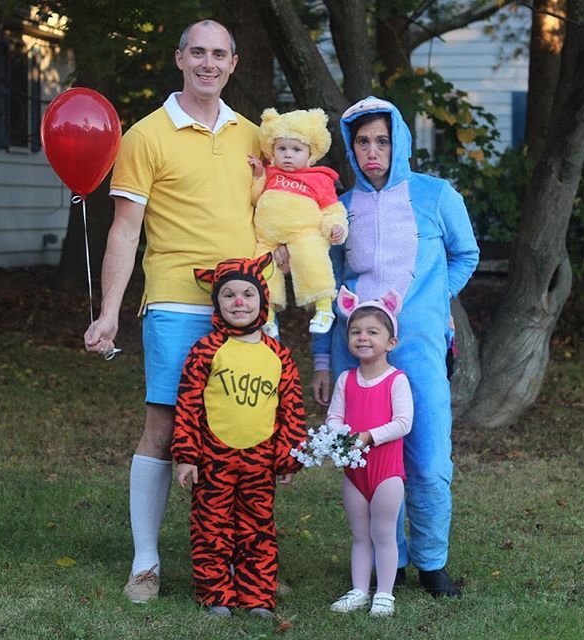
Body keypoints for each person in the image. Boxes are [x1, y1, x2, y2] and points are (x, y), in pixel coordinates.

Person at [83, 20, 269, 603]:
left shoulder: (254, 136)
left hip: (249, 306)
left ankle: (245, 567)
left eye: (219, 54)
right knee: (164, 430)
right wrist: (108, 311)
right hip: (176, 302)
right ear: (179, 59)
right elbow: (124, 229)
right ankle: (145, 565)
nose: (208, 63)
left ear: (234, 63)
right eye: (198, 53)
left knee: (247, 436)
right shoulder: (144, 135)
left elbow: (277, 211)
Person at [312, 96, 479, 598]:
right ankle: (391, 560)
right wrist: (322, 360)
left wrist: (433, 300)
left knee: (426, 458)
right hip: (355, 353)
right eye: (362, 141)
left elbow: (465, 254)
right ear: (350, 146)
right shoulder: (338, 209)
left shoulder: (435, 196)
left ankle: (431, 561)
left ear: (399, 142)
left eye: (382, 140)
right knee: (369, 460)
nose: (372, 151)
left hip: (420, 351)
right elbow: (325, 287)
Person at [172, 254, 305, 618]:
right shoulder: (205, 350)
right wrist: (186, 454)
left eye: (248, 294)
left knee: (257, 528)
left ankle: (257, 595)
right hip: (214, 459)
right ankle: (216, 593)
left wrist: (288, 457)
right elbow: (188, 404)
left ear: (262, 299)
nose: (239, 303)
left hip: (260, 461)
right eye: (228, 295)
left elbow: (290, 411)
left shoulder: (279, 355)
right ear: (216, 302)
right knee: (211, 527)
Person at [327, 286, 413, 618]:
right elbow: (335, 416)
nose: (363, 337)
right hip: (355, 472)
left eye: (372, 332)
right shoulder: (346, 379)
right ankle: (359, 589)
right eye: (356, 331)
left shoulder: (396, 380)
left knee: (383, 531)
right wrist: (339, 436)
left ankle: (385, 594)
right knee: (360, 534)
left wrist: (368, 436)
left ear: (390, 342)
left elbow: (403, 422)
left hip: (386, 472)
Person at [248, 107, 347, 337]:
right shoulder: (271, 173)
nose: (288, 155)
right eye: (282, 149)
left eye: (296, 149)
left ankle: (323, 306)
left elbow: (331, 208)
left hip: (303, 233)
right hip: (268, 238)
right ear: (272, 150)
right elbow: (255, 198)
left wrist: (335, 226)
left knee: (312, 257)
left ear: (310, 153)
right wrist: (257, 175)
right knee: (260, 269)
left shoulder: (319, 179)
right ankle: (267, 315)